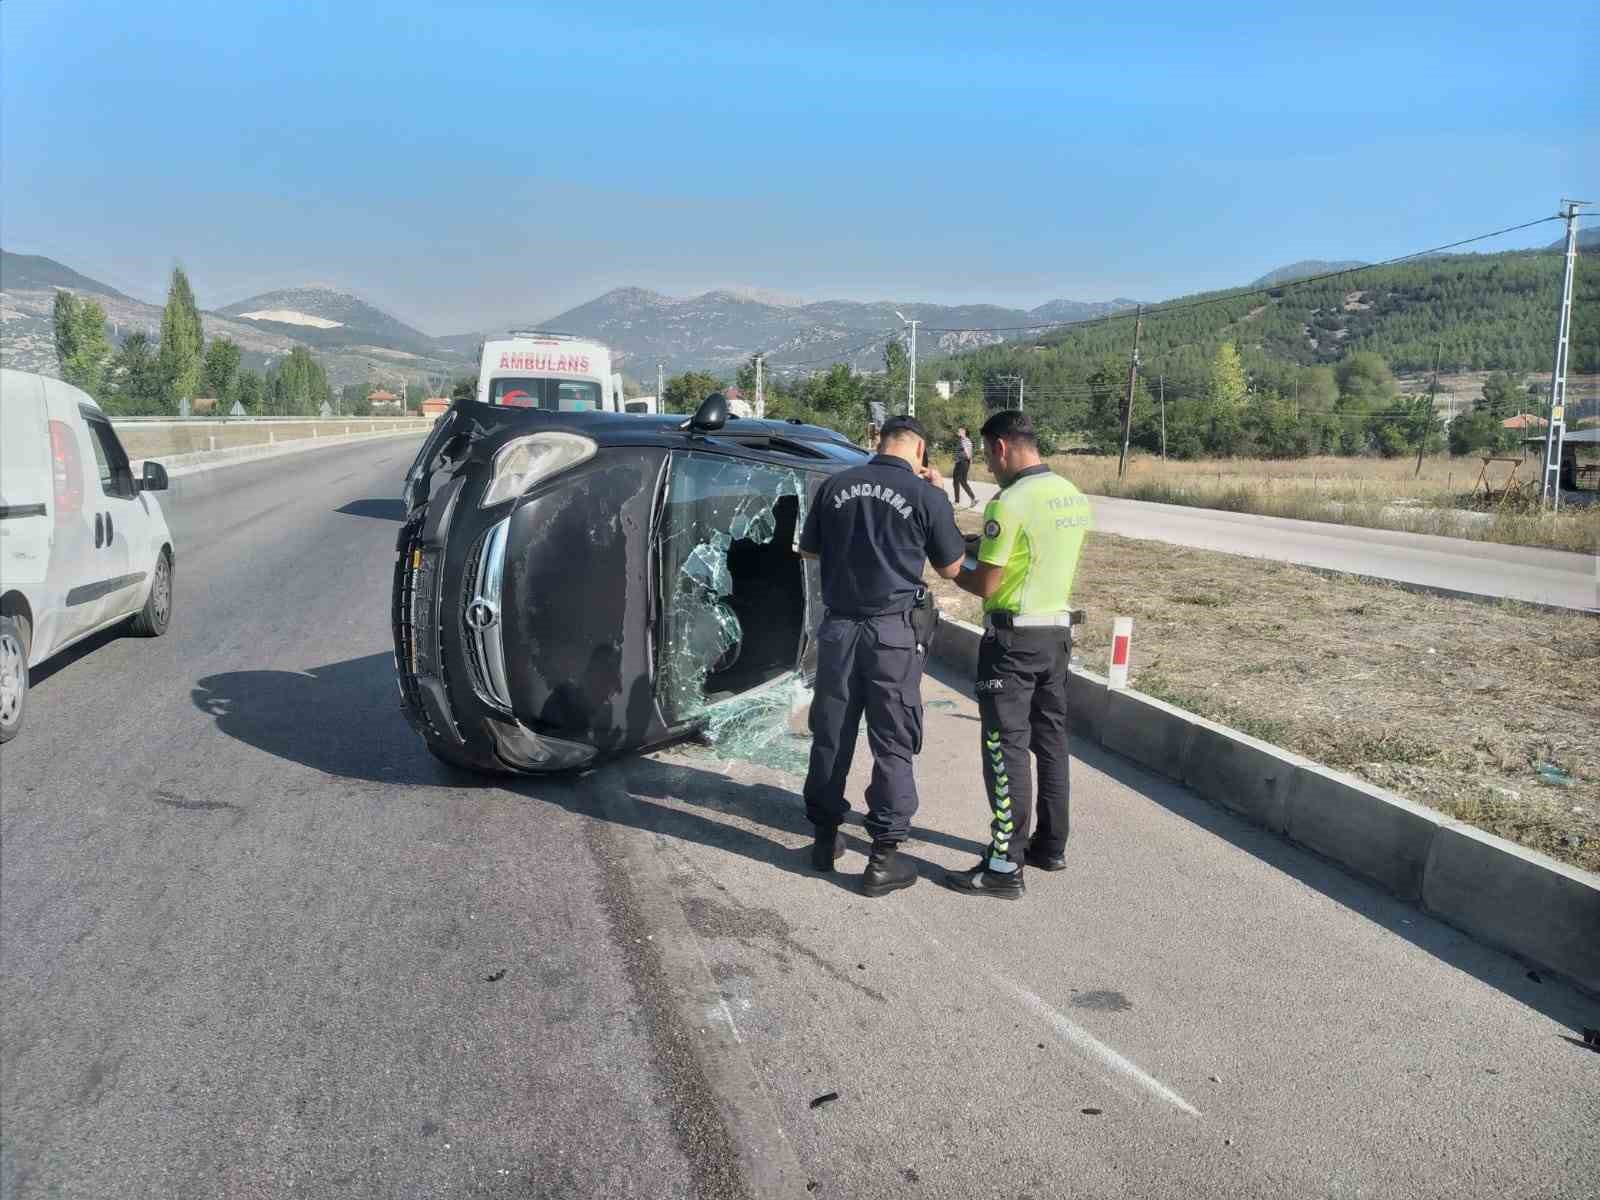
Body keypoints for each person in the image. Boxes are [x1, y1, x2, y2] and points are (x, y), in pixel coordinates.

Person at [798, 416, 966, 897]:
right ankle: (882, 859)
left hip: (839, 630)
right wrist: (935, 498)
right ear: (919, 450)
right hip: (892, 634)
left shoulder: (834, 486)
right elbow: (951, 567)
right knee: (892, 740)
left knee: (831, 734)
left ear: (879, 442)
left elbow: (809, 552)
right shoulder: (925, 495)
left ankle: (824, 840)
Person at [944, 409, 1092, 900]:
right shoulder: (1070, 495)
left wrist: (950, 569)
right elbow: (1035, 554)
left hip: (1012, 644)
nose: (989, 464)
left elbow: (988, 582)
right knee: (1050, 744)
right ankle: (1050, 846)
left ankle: (1005, 865)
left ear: (1001, 448)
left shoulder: (1008, 503)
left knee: (1005, 749)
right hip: (1056, 637)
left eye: (988, 455)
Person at [951, 426, 978, 508]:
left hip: (963, 463)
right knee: (956, 481)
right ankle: (958, 501)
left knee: (961, 481)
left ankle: (971, 499)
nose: (958, 432)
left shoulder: (966, 441)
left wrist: (964, 455)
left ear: (964, 432)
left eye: (959, 431)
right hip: (959, 462)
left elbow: (968, 454)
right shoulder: (960, 440)